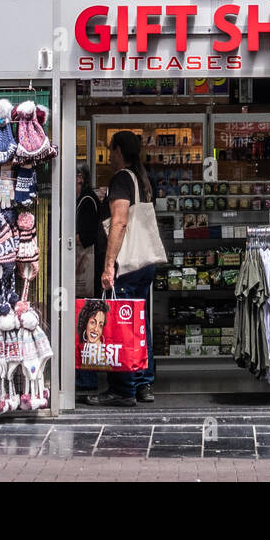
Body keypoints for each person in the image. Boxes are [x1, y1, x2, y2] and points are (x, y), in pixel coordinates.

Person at [98, 130, 157, 406]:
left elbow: (120, 222)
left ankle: (122, 388)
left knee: (123, 324)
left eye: (111, 150)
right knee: (140, 324)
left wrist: (109, 265)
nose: (110, 156)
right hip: (144, 263)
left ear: (119, 150)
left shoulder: (122, 178)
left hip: (128, 263)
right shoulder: (143, 180)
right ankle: (144, 383)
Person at [75, 164, 106, 403]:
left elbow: (85, 238)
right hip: (86, 273)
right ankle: (84, 380)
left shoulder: (86, 201)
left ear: (80, 178)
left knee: (87, 325)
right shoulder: (87, 199)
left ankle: (87, 382)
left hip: (86, 274)